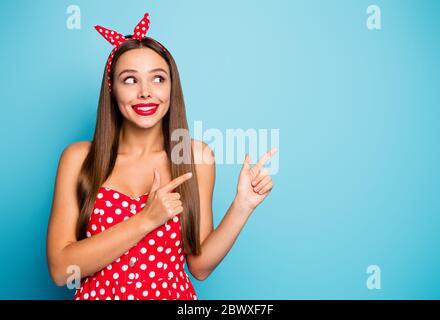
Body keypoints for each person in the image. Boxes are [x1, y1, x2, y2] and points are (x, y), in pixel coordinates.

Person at [46, 12, 277, 300]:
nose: (146, 92)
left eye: (158, 78)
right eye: (130, 80)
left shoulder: (195, 156)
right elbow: (60, 270)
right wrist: (146, 219)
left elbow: (200, 266)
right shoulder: (78, 158)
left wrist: (242, 206)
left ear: (171, 87)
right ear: (112, 90)